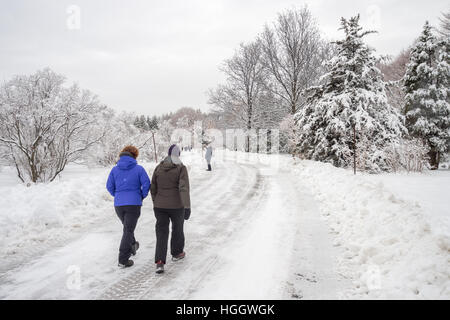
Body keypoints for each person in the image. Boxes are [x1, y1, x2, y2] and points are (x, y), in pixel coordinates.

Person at [106, 146, 150, 268]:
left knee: (127, 228)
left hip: (119, 205)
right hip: (133, 204)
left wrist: (118, 195)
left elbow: (109, 186)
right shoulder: (139, 169)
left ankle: (133, 245)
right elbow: (146, 184)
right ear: (134, 156)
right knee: (128, 230)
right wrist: (141, 196)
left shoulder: (114, 170)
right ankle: (123, 260)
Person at [150, 144, 191, 274]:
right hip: (176, 206)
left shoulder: (159, 167)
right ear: (178, 154)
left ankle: (160, 262)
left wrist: (156, 201)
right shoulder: (181, 168)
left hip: (159, 206)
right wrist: (187, 206)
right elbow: (183, 188)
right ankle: (177, 253)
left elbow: (153, 187)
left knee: (161, 232)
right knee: (177, 228)